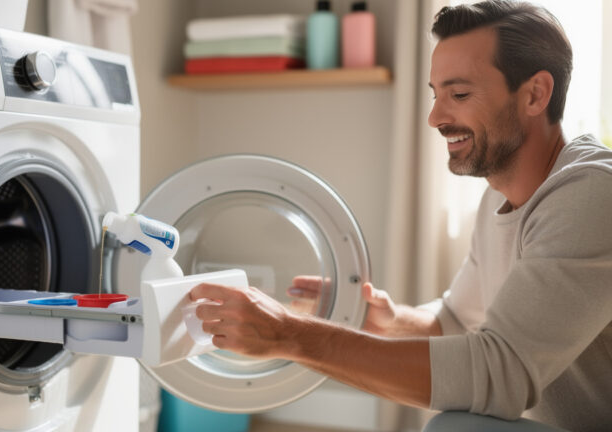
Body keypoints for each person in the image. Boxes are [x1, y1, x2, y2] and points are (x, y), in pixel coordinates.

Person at [189, 1, 612, 430]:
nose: (435, 117)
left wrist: (287, 334)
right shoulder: (496, 197)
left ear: (535, 94)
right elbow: (455, 322)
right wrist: (387, 321)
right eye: (436, 94)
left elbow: (498, 372)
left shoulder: (593, 193)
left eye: (460, 94)